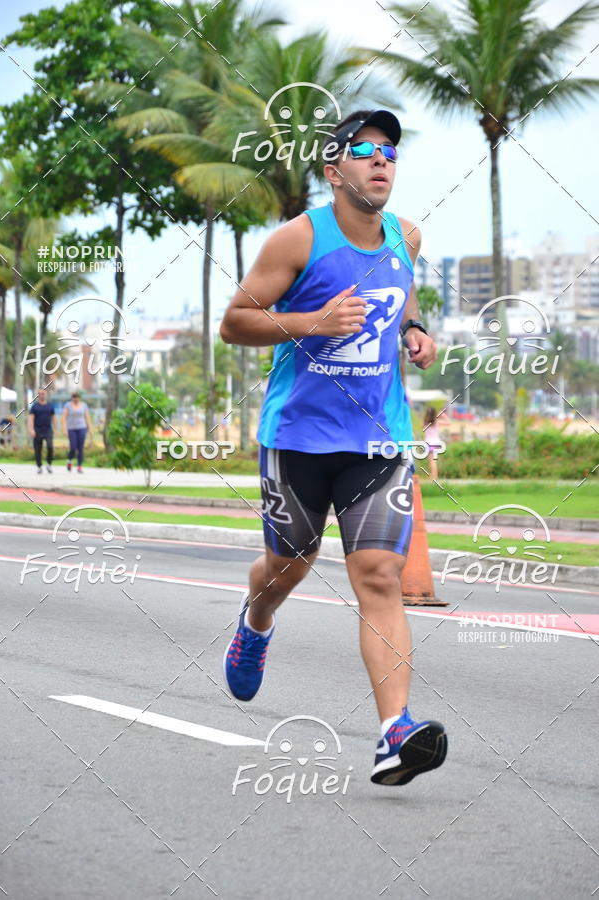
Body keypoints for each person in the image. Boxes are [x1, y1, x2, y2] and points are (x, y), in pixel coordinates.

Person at [219, 108, 447, 787]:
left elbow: (400, 298)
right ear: (333, 169)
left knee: (378, 575)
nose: (382, 160)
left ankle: (393, 734)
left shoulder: (407, 237)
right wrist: (310, 323)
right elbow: (235, 322)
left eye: (390, 152)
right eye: (366, 149)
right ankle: (256, 618)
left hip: (378, 438)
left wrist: (416, 331)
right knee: (287, 566)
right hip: (298, 439)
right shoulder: (296, 240)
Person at [61, 392, 93, 473]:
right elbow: (64, 418)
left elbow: (87, 417)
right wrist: (64, 429)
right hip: (71, 429)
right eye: (74, 397)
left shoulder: (84, 405)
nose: (75, 398)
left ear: (79, 398)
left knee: (80, 448)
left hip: (82, 428)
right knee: (73, 447)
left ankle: (79, 466)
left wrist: (90, 429)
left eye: (77, 397)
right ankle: (69, 460)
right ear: (72, 398)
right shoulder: (68, 405)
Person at [28, 388, 56, 474]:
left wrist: (55, 428)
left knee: (50, 447)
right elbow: (31, 419)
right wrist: (31, 430)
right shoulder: (34, 406)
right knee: (38, 449)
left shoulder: (50, 406)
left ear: (46, 394)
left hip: (48, 430)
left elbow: (53, 418)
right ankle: (39, 466)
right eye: (39, 394)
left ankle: (49, 464)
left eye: (43, 393)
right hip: (37, 430)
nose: (41, 395)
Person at [423, 406, 450, 481]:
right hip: (436, 443)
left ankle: (434, 477)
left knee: (431, 461)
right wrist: (443, 415)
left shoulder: (425, 422)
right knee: (433, 461)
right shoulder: (436, 422)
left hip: (429, 443)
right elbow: (448, 422)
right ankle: (434, 476)